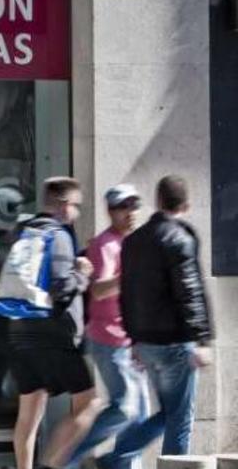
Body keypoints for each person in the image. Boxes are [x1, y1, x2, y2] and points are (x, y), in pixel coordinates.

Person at [97, 175, 214, 469]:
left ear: (158, 201)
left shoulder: (134, 240)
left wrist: (133, 338)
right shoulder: (180, 238)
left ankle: (113, 459)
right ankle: (118, 460)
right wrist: (202, 340)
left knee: (166, 413)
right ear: (186, 205)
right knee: (178, 418)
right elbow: (191, 292)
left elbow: (127, 293)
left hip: (146, 343)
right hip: (175, 343)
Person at [0, 176, 103, 469]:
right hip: (52, 336)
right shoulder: (59, 236)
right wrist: (82, 272)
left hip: (18, 331)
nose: (77, 213)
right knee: (89, 402)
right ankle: (52, 464)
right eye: (76, 206)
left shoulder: (21, 232)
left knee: (29, 410)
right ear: (64, 205)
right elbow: (61, 290)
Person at [66, 184, 149, 469]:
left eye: (135, 206)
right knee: (124, 407)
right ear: (111, 211)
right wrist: (131, 275)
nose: (131, 212)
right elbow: (99, 290)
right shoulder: (102, 244)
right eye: (125, 207)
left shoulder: (134, 243)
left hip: (132, 340)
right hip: (108, 339)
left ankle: (123, 466)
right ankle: (72, 458)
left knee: (140, 415)